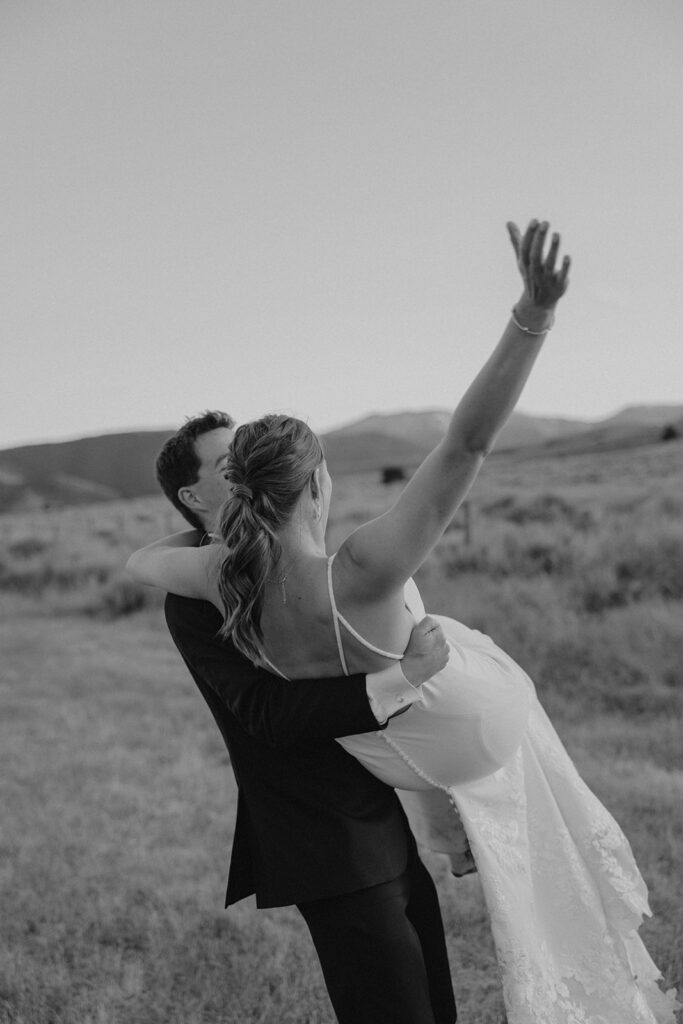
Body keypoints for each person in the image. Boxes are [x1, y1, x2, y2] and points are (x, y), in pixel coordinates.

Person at [129, 220, 679, 1024]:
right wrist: (533, 314)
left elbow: (141, 560)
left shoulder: (217, 579)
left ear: (242, 493)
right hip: (427, 776)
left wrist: (214, 538)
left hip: (408, 787)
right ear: (317, 482)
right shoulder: (364, 569)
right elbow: (467, 442)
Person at [147, 411, 460, 1024]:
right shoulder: (196, 596)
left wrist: (448, 817)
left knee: (436, 1007)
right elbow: (266, 715)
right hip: (323, 843)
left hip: (382, 826)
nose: (242, 469)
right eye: (224, 465)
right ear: (192, 496)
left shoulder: (301, 569)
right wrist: (399, 679)